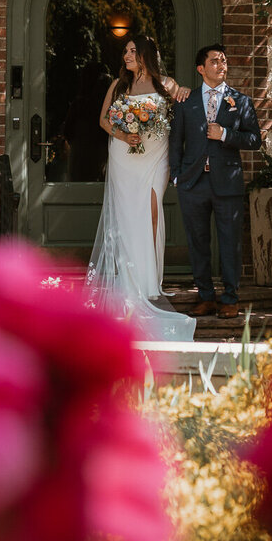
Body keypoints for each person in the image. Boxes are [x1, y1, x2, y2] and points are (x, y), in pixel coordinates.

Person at [88, 35, 195, 341]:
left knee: (151, 210)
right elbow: (104, 120)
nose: (127, 55)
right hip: (125, 156)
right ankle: (132, 279)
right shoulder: (119, 86)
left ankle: (151, 280)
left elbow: (185, 104)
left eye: (133, 51)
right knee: (128, 215)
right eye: (125, 51)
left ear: (147, 54)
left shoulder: (166, 84)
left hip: (156, 156)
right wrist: (124, 136)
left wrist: (185, 91)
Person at [169, 43, 262, 319]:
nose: (222, 65)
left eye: (224, 61)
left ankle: (230, 298)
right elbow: (175, 141)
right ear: (201, 68)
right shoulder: (186, 101)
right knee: (198, 242)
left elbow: (254, 140)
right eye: (215, 61)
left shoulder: (240, 101)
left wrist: (225, 134)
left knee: (230, 242)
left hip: (227, 182)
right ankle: (206, 297)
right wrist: (176, 175)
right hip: (192, 183)